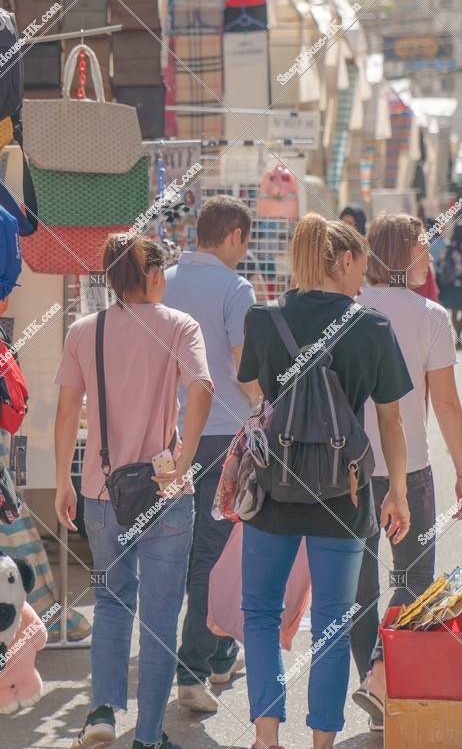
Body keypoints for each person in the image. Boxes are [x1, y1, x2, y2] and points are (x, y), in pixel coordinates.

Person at [237, 214, 412, 749]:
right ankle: (322, 743)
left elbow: (249, 385)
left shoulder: (263, 319)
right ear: (342, 261)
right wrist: (398, 492)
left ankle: (267, 737)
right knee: (334, 621)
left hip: (273, 492)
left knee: (261, 613)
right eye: (360, 265)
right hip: (346, 493)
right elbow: (390, 421)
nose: (363, 278)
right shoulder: (372, 325)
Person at [54, 235, 214, 749]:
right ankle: (147, 737)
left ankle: (100, 714)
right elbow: (203, 388)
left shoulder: (85, 331)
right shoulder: (178, 326)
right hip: (165, 492)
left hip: (102, 492)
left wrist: (63, 479)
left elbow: (65, 413)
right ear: (150, 276)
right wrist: (185, 458)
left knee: (111, 601)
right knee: (162, 615)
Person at [351, 213, 462, 730]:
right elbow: (445, 404)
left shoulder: (347, 310)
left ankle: (376, 694)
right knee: (414, 578)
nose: (431, 256)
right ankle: (381, 675)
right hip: (410, 469)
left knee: (357, 585)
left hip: (349, 469)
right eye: (424, 246)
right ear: (402, 253)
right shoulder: (432, 315)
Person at [162, 195, 262, 712]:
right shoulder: (236, 288)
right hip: (224, 434)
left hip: (169, 438)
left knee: (181, 554)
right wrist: (268, 406)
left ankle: (219, 652)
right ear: (235, 237)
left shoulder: (165, 280)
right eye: (244, 242)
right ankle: (192, 669)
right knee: (216, 552)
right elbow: (247, 372)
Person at [437, 220, 462, 346]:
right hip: (459, 284)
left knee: (454, 311)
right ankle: (459, 336)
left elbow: (442, 264)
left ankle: (458, 337)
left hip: (452, 285)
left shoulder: (449, 248)